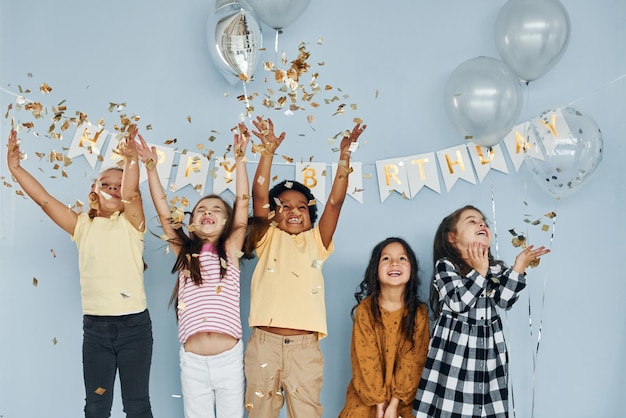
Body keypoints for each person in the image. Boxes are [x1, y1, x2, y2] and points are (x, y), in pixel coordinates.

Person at [6, 125, 154, 418]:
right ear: (93, 193)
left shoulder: (132, 224)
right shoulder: (81, 226)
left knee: (137, 405)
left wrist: (131, 160)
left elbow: (133, 193)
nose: (114, 189)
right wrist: (15, 169)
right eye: (107, 184)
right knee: (97, 406)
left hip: (135, 328)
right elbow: (45, 200)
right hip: (96, 329)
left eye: (119, 185)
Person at [242, 116, 366, 417]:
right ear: (272, 214)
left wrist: (344, 159)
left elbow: (335, 203)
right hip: (264, 346)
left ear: (311, 215)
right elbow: (259, 196)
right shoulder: (266, 238)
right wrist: (268, 151)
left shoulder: (316, 243)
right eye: (284, 206)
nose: (293, 211)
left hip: (304, 349)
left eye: (301, 207)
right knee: (259, 412)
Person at [135, 124, 250, 418]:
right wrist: (150, 169)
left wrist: (240, 162)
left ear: (226, 224)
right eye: (201, 210)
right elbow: (163, 212)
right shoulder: (186, 254)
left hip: (229, 359)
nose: (208, 212)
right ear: (191, 224)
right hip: (193, 361)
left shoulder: (231, 250)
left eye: (216, 210)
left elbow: (243, 203)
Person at [413, 205, 551, 418]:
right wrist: (479, 271)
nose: (481, 224)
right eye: (471, 221)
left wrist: (519, 266)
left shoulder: (495, 268)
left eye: (484, 222)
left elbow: (505, 300)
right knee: (452, 407)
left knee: (485, 406)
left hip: (487, 357)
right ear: (452, 238)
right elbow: (458, 302)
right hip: (455, 357)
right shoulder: (447, 266)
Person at [338, 237, 430, 418]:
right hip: (368, 395)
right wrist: (380, 404)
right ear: (375, 270)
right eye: (386, 259)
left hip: (405, 399)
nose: (394, 263)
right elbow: (366, 360)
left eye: (402, 258)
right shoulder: (365, 310)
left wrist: (394, 404)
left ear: (412, 268)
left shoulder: (419, 313)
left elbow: (413, 360)